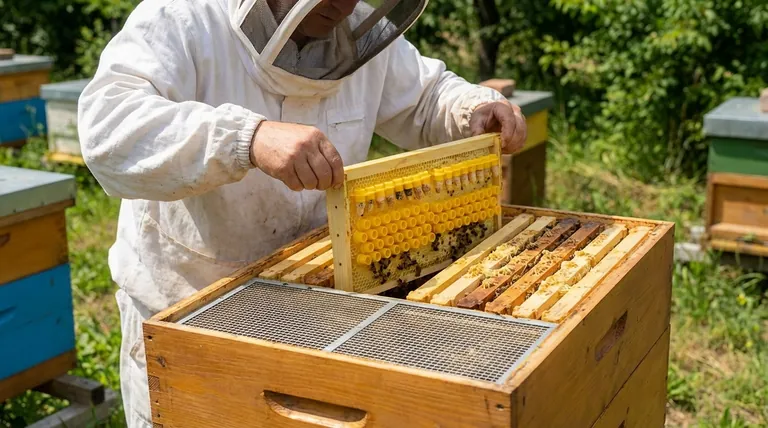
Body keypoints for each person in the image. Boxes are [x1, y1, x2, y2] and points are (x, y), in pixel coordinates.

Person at [77, 0, 527, 426]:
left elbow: (426, 96)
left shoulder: (356, 34)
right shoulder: (183, 17)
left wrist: (470, 109)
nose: (346, 5)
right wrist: (247, 138)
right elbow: (108, 127)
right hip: (191, 306)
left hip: (317, 305)